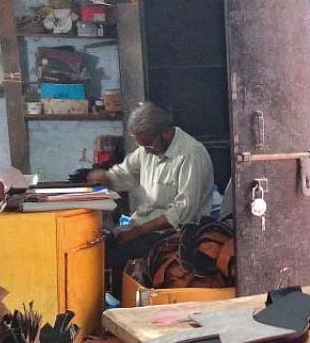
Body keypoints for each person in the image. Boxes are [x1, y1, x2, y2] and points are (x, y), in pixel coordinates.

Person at [88, 102, 216, 293]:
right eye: (141, 145)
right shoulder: (149, 148)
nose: (145, 150)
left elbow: (182, 213)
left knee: (109, 257)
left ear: (166, 133)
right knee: (97, 245)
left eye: (147, 144)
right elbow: (124, 173)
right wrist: (105, 177)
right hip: (144, 227)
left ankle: (119, 304)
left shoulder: (191, 155)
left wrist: (138, 231)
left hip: (176, 234)